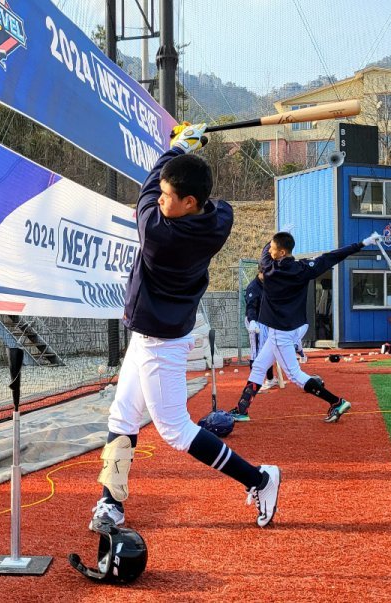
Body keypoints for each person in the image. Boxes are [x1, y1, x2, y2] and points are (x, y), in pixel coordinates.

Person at [90, 123, 281, 533]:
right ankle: (111, 503)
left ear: (189, 201)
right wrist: (183, 158)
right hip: (152, 332)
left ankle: (260, 479)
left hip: (161, 340)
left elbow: (143, 193)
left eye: (168, 196)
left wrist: (175, 148)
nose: (160, 199)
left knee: (175, 430)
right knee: (122, 417)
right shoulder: (219, 217)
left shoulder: (159, 233)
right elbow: (198, 195)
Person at [228, 231, 381, 423]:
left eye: (274, 249)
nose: (271, 251)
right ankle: (242, 409)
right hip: (293, 328)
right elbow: (333, 256)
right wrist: (363, 242)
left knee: (295, 375)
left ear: (282, 252)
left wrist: (277, 235)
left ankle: (336, 401)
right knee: (259, 366)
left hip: (278, 332)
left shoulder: (270, 269)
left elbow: (264, 254)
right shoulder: (304, 268)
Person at [244, 272, 278, 388]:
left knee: (267, 351)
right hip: (255, 321)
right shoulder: (253, 287)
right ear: (260, 272)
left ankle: (270, 379)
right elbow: (251, 306)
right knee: (256, 352)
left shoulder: (267, 284)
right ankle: (253, 385)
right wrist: (253, 321)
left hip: (265, 320)